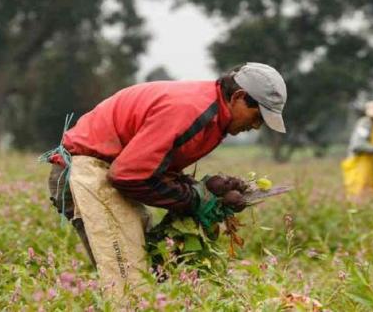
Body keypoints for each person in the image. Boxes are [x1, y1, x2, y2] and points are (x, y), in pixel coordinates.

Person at [43, 62, 287, 301]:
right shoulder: (191, 110)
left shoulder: (214, 117)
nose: (256, 126)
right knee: (129, 286)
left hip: (107, 170)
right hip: (86, 170)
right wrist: (194, 199)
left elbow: (156, 167)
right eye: (257, 116)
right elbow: (127, 175)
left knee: (149, 267)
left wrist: (204, 187)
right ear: (239, 97)